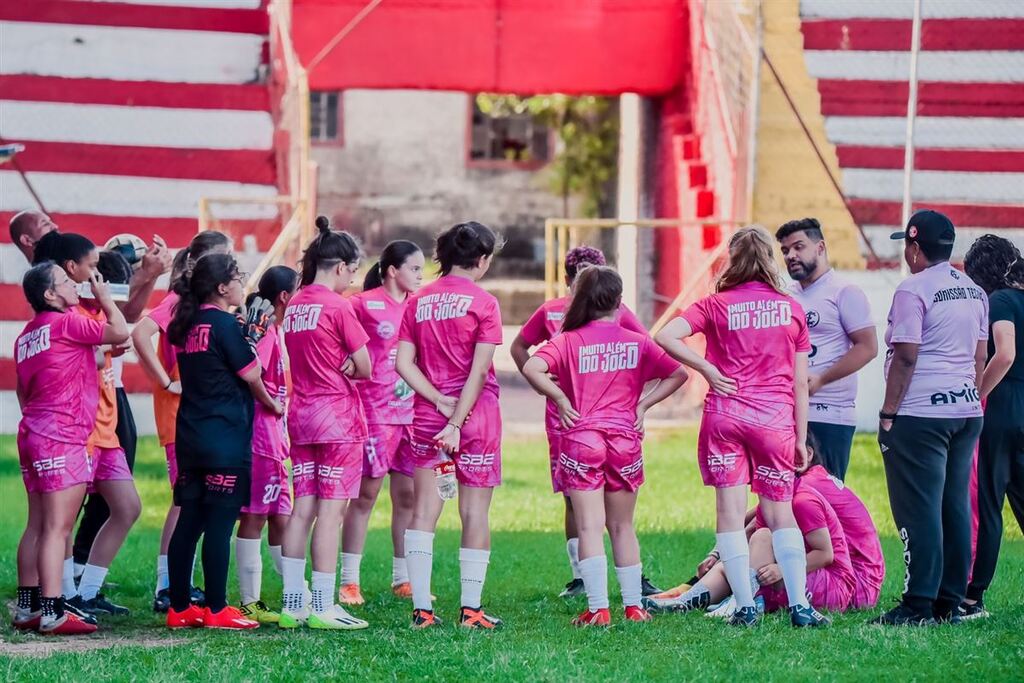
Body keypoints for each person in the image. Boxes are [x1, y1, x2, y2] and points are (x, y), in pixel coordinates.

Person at [654, 225, 829, 628]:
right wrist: (801, 438)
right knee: (779, 512)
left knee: (730, 516)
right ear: (770, 258)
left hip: (726, 416)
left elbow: (666, 335)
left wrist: (707, 369)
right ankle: (801, 607)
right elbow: (800, 382)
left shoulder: (716, 304)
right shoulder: (791, 308)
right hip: (775, 421)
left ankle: (746, 606)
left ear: (733, 259)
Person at [521, 266, 686, 626]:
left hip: (582, 439)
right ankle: (633, 606)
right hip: (625, 439)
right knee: (623, 526)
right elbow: (679, 373)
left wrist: (561, 400)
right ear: (619, 301)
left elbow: (532, 368)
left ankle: (598, 609)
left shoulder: (567, 340)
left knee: (590, 527)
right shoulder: (635, 340)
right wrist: (642, 405)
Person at [510, 246, 660, 599]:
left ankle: (603, 595)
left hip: (589, 422)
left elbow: (645, 354)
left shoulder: (603, 321)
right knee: (585, 504)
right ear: (568, 280)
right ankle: (590, 581)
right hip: (580, 420)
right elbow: (521, 349)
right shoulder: (552, 314)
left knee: (595, 510)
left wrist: (635, 403)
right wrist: (553, 390)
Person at [874, 210, 987, 626]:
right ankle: (949, 601)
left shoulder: (913, 289)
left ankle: (918, 602)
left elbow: (906, 355)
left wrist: (889, 412)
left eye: (906, 245)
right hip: (964, 409)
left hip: (921, 413)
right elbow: (980, 356)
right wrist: (968, 396)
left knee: (919, 508)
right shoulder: (974, 290)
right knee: (954, 505)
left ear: (916, 248)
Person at [395, 221, 504, 630]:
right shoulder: (485, 303)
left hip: (428, 419)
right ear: (483, 259)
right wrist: (457, 419)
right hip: (475, 420)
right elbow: (478, 372)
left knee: (424, 512)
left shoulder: (417, 300)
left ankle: (422, 610)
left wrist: (438, 400)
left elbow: (403, 364)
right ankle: (470, 611)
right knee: (474, 512)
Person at [164, 253, 281, 630]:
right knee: (219, 523)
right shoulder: (224, 324)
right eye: (237, 277)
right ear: (221, 287)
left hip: (192, 437)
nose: (241, 282)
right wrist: (252, 338)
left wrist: (244, 335)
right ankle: (216, 608)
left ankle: (179, 607)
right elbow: (251, 372)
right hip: (225, 439)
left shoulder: (188, 324)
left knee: (190, 522)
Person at [13, 261, 128, 635]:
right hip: (63, 435)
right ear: (50, 294)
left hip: (33, 431)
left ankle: (28, 607)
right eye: (65, 281)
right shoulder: (66, 322)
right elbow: (118, 329)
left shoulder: (27, 336)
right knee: (57, 529)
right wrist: (105, 300)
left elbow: (24, 388)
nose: (74, 284)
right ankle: (53, 612)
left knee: (37, 525)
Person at [279, 216, 372, 631]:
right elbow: (365, 365)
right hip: (337, 419)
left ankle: (292, 603)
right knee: (332, 514)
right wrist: (349, 365)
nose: (352, 280)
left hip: (301, 415)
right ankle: (323, 604)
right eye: (352, 272)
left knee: (303, 509)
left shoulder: (295, 303)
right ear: (340, 267)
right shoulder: (339, 306)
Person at [133, 231, 231, 612]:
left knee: (194, 503)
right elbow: (142, 331)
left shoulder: (200, 305)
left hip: (197, 417)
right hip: (181, 418)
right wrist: (165, 380)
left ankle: (178, 584)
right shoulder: (177, 301)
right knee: (184, 503)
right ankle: (167, 586)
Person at [339, 240, 425, 605]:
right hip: (375, 413)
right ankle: (348, 580)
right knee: (365, 495)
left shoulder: (420, 307)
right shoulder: (362, 304)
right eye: (415, 269)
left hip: (412, 415)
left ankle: (402, 577)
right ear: (393, 270)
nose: (421, 277)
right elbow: (335, 332)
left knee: (407, 495)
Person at [776, 218, 877, 480]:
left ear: (820, 247)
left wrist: (821, 379)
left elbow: (868, 347)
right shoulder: (785, 296)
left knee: (825, 496)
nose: (791, 255)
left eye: (799, 247)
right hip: (788, 412)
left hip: (831, 414)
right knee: (785, 494)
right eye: (785, 251)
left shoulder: (843, 292)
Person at [962, 234, 1024, 619]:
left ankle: (972, 598)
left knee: (989, 504)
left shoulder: (1000, 299)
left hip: (1003, 407)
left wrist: (976, 394)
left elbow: (1005, 353)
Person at [235, 266, 299, 624]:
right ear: (285, 297)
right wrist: (270, 403)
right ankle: (249, 601)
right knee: (255, 514)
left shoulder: (278, 329)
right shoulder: (265, 330)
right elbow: (250, 371)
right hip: (260, 433)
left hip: (278, 437)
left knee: (282, 515)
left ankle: (295, 590)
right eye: (300, 289)